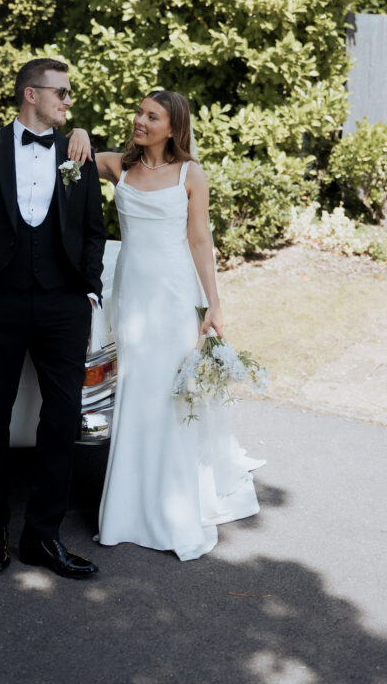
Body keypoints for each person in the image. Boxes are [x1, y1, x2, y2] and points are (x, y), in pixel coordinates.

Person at [72, 90, 263, 560]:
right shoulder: (119, 167)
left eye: (151, 116)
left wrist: (213, 306)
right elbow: (74, 153)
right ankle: (129, 503)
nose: (140, 120)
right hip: (134, 299)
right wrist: (78, 130)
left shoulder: (189, 174)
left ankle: (175, 504)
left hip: (176, 296)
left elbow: (199, 241)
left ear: (173, 127)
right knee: (137, 391)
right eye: (139, 112)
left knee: (171, 394)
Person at [0, 58, 106, 578]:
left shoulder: (77, 152)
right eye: (62, 92)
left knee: (62, 420)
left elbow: (94, 230)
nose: (69, 101)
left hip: (63, 305)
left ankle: (43, 536)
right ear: (31, 94)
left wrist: (90, 292)